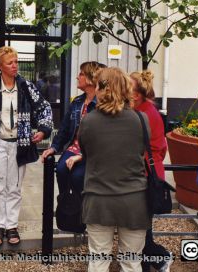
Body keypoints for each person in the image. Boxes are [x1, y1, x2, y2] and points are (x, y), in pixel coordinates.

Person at [79, 67, 151, 272]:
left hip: (98, 199)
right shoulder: (141, 119)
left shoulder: (88, 121)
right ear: (126, 88)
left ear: (100, 89)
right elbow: (142, 150)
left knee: (99, 259)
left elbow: (86, 153)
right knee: (131, 261)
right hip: (134, 200)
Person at [0, 46, 53, 246]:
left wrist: (44, 129)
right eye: (10, 63)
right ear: (0, 66)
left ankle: (11, 225)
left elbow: (44, 107)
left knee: (15, 187)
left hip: (20, 144)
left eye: (16, 62)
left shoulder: (25, 86)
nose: (15, 66)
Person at [41, 61, 106, 194]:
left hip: (92, 151)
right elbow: (64, 128)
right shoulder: (77, 101)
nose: (77, 77)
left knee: (78, 177)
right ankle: (66, 206)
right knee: (61, 170)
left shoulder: (102, 104)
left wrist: (83, 155)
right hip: (74, 148)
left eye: (81, 74)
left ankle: (81, 209)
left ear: (91, 78)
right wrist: (54, 147)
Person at [130, 71, 172, 272]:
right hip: (150, 171)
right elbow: (162, 147)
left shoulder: (142, 113)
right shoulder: (148, 110)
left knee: (141, 227)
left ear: (136, 94)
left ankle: (160, 258)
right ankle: (150, 261)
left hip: (145, 174)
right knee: (142, 226)